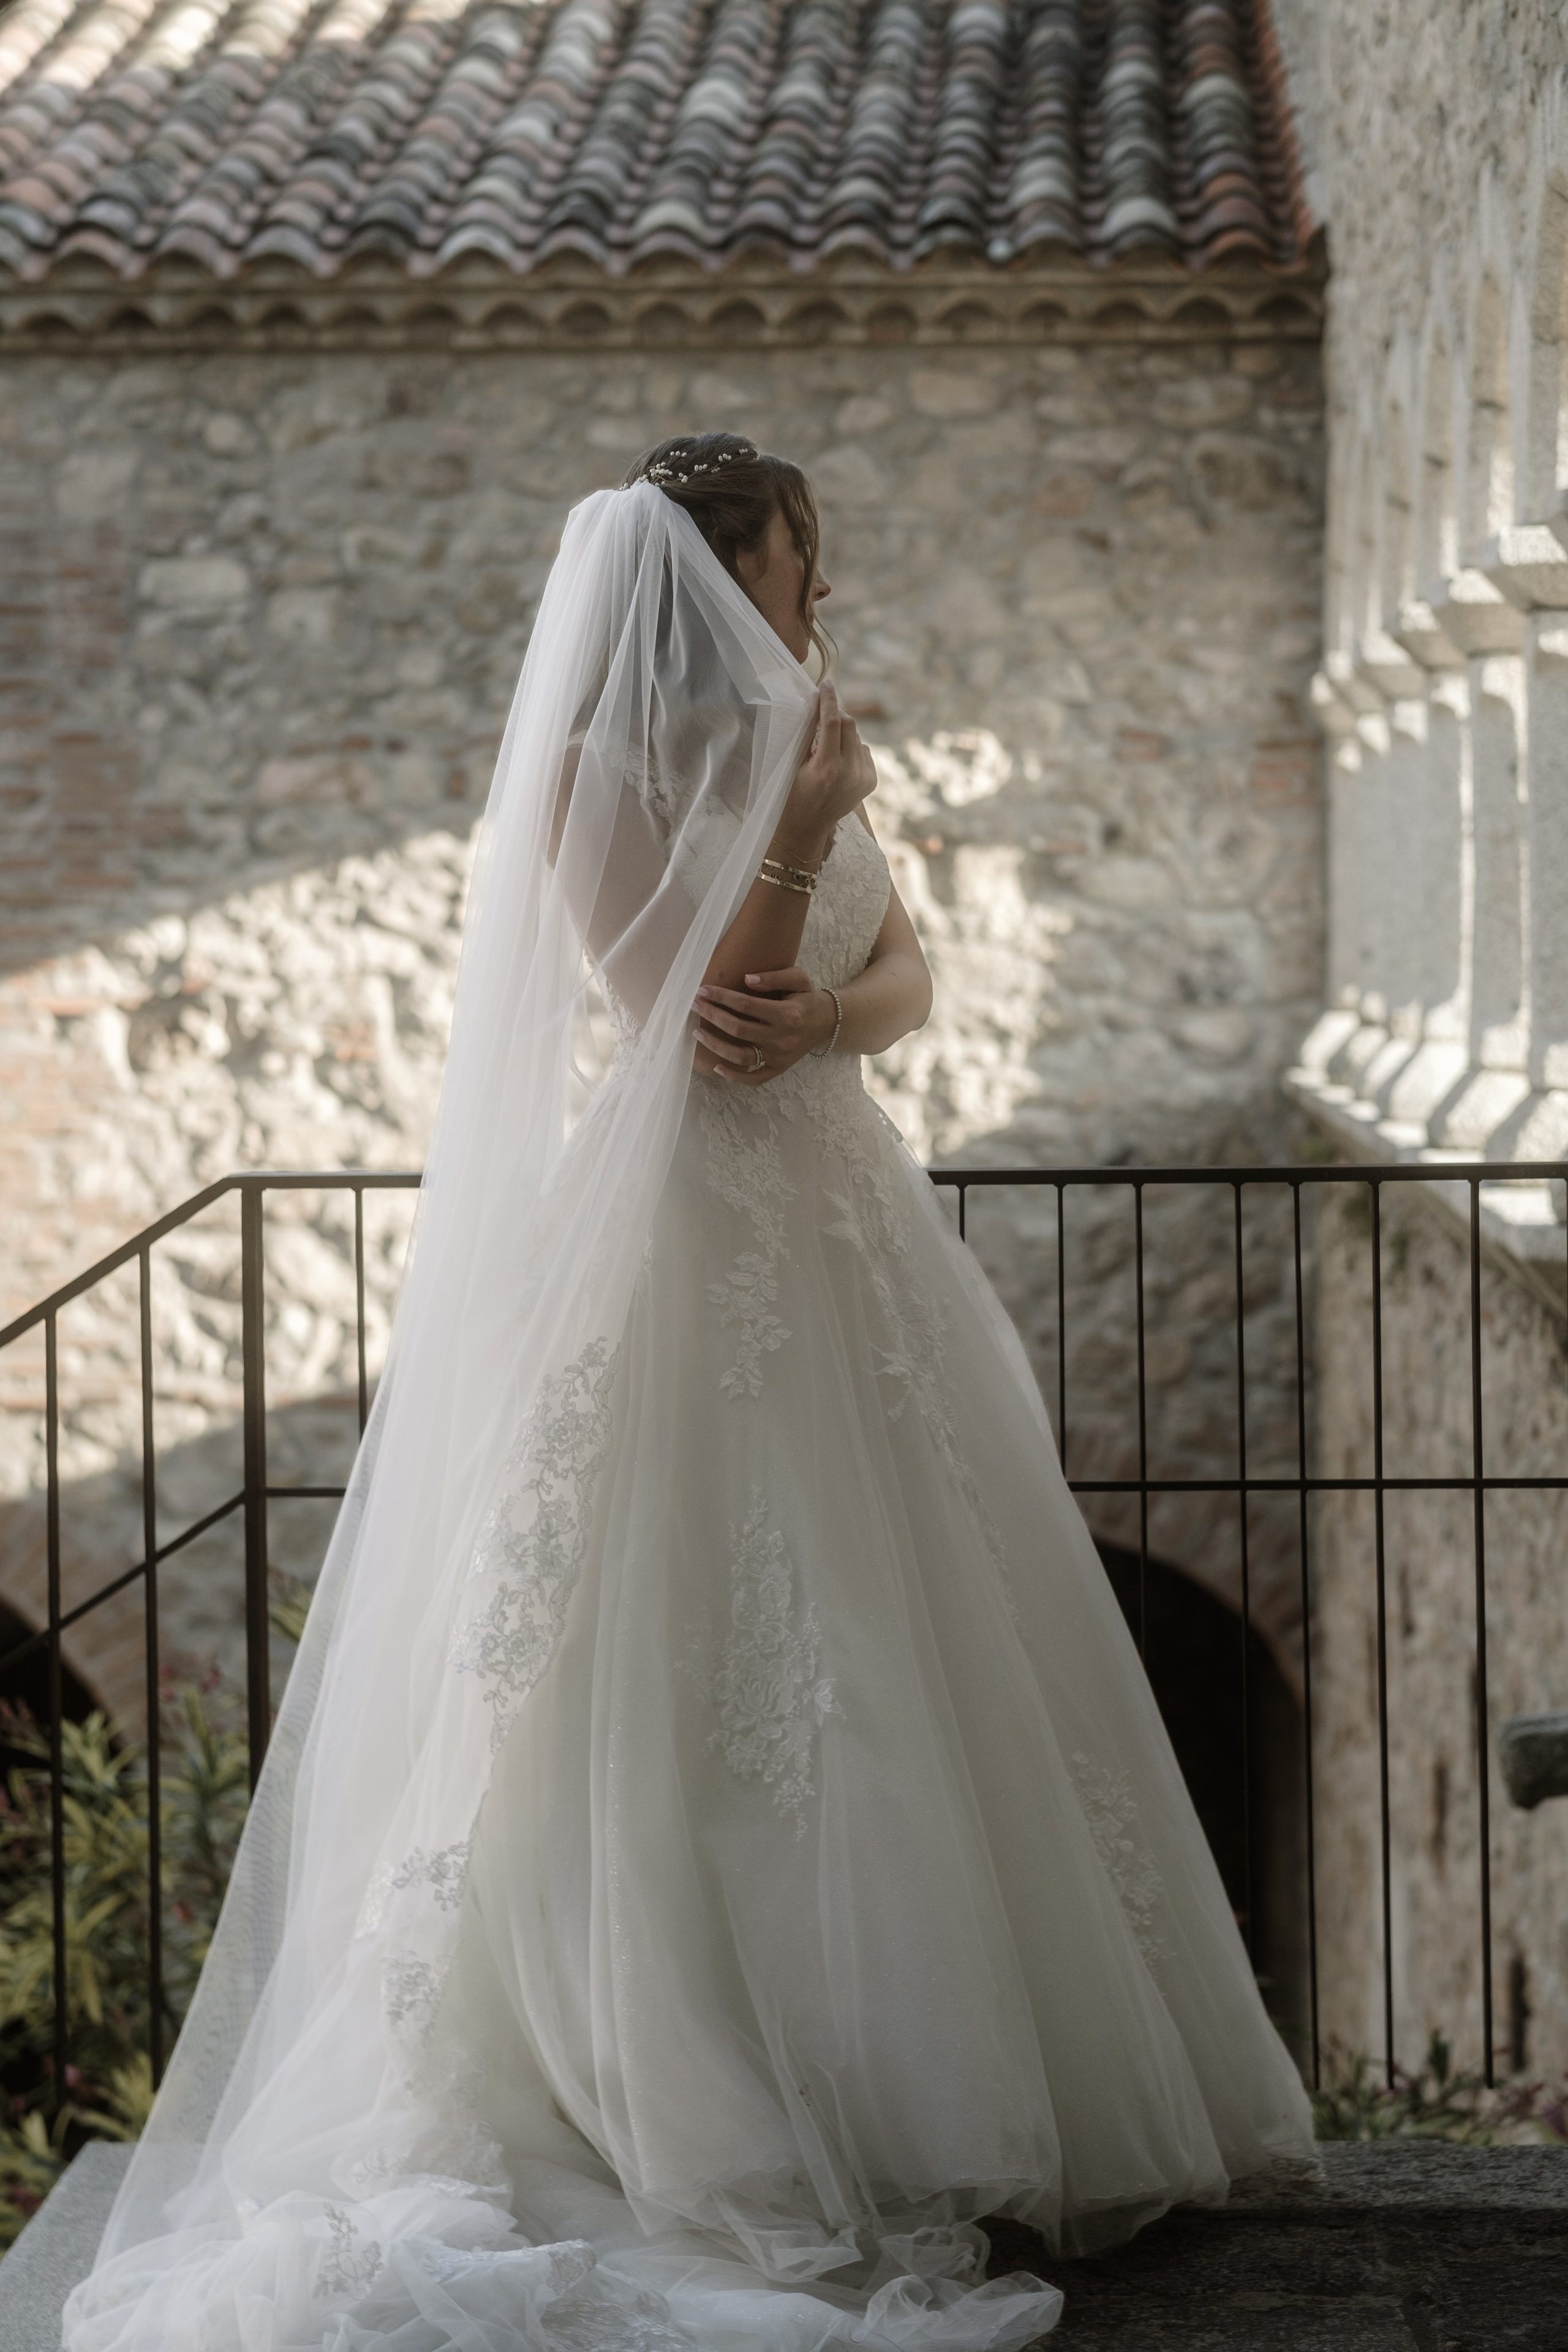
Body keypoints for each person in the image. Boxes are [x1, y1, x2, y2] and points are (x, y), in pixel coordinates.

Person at [64, 435, 1314, 2352]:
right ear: (730, 579)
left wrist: (834, 1001)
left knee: (911, 1636)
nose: (823, 601)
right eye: (804, 568)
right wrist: (800, 843)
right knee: (712, 1653)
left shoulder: (817, 731)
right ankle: (708, 2091)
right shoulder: (601, 775)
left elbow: (904, 977)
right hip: (683, 1244)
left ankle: (943, 2092)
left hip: (850, 1237)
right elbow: (698, 1034)